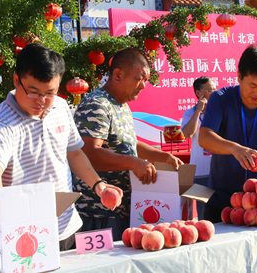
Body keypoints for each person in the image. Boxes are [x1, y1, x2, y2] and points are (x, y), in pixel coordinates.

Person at [0, 44, 123, 251]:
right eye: (34, 92)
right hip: (24, 235)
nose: (42, 101)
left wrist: (99, 185)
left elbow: (73, 153)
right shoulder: (2, 121)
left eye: (50, 93)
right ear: (16, 80)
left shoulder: (60, 106)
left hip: (67, 226)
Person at [73, 48, 183, 240]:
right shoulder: (97, 104)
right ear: (118, 75)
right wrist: (133, 163)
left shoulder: (120, 104)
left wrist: (161, 156)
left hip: (122, 210)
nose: (143, 86)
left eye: (146, 80)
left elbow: (129, 142)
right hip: (99, 212)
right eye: (139, 78)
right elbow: (88, 153)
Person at [199, 45, 257, 223]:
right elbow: (204, 137)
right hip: (221, 202)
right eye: (253, 85)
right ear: (239, 76)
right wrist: (234, 148)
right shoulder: (221, 99)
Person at [181, 76, 217, 220]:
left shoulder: (219, 111)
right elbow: (187, 133)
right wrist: (198, 111)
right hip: (201, 170)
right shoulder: (189, 113)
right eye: (209, 90)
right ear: (198, 93)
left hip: (219, 169)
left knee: (220, 211)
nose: (213, 93)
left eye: (215, 89)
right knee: (203, 214)